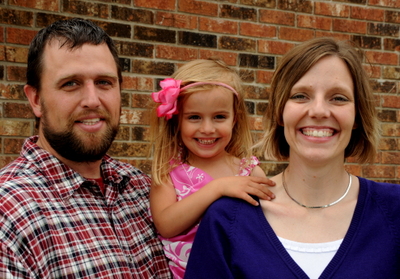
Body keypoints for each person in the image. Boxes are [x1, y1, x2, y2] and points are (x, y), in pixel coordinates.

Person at [184, 38, 400, 278]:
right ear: (279, 111)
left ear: (357, 116)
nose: (318, 111)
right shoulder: (226, 219)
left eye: (338, 97)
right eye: (300, 96)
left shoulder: (395, 210)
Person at [0, 18, 171, 278]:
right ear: (35, 99)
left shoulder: (146, 190)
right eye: (70, 83)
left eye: (104, 82)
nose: (92, 100)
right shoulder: (8, 215)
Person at [149, 58, 276, 278]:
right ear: (177, 120)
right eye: (194, 117)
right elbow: (166, 225)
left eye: (219, 117)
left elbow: (267, 231)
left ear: (235, 119)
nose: (207, 128)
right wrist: (217, 188)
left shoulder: (249, 171)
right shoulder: (169, 173)